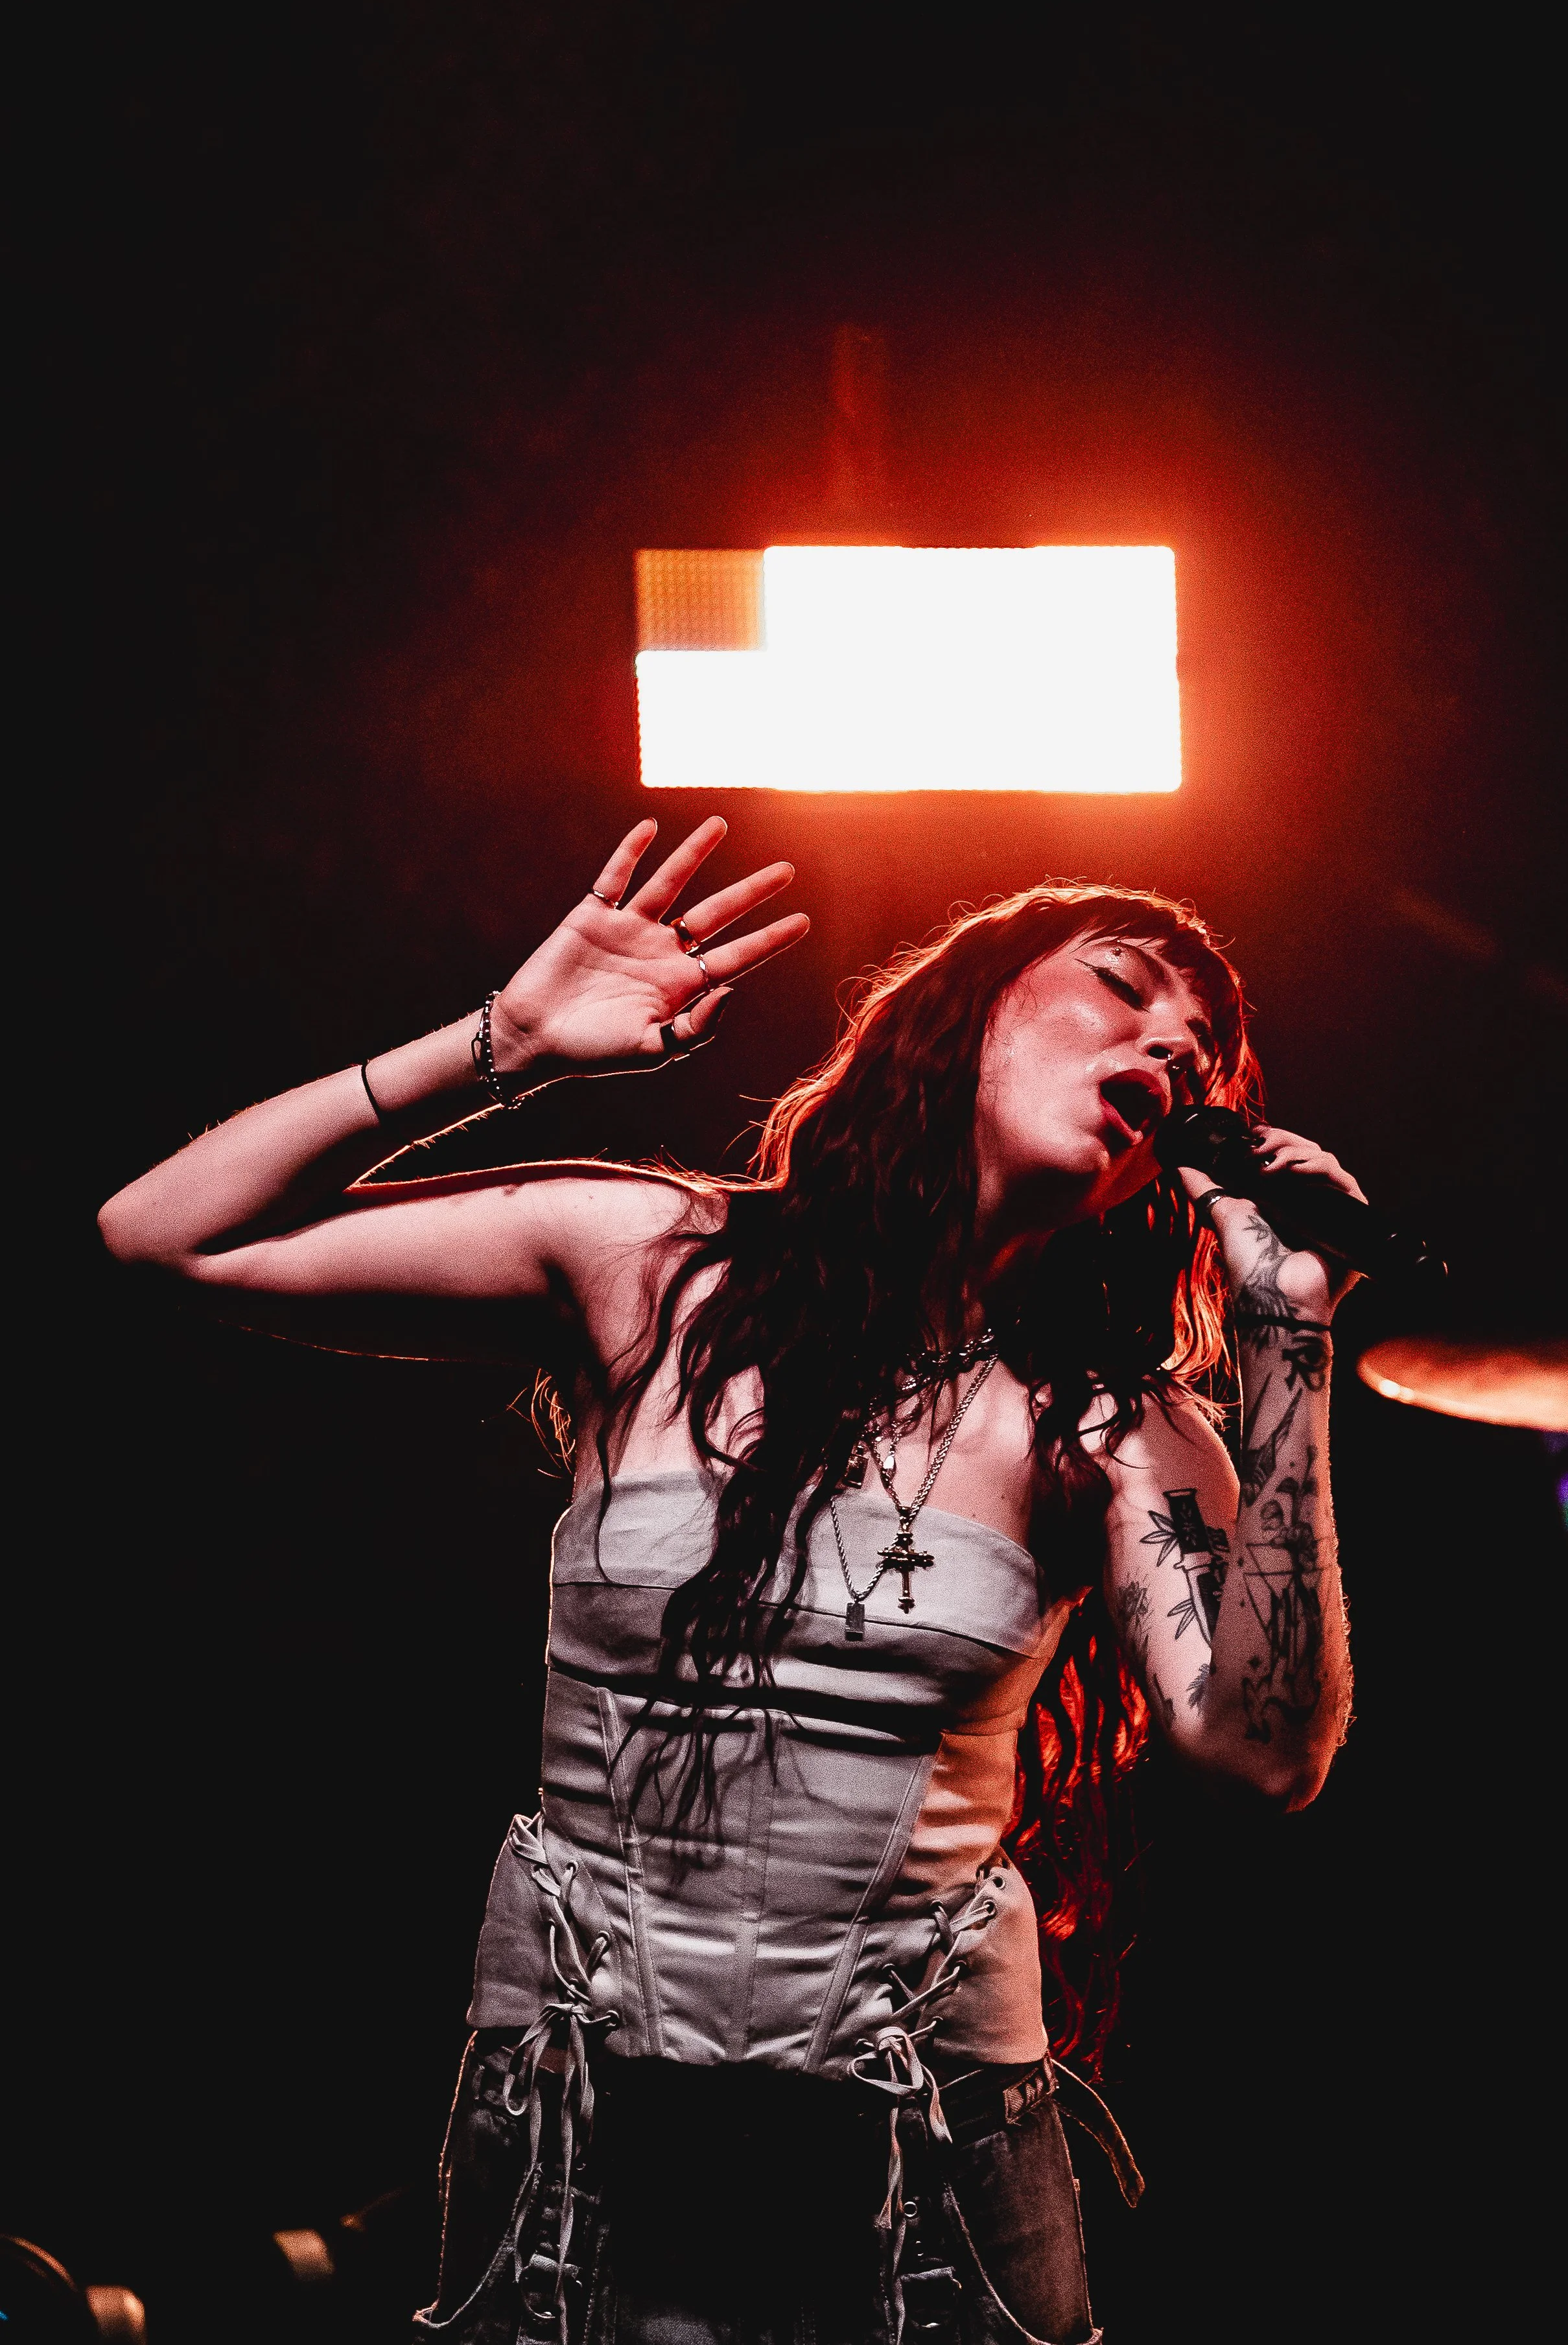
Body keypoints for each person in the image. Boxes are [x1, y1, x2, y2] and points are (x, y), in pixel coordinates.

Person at [99, 816, 1357, 2345]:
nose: (1175, 1043)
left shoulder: (1118, 1425)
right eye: (1123, 987)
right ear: (960, 1015)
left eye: (1206, 1048)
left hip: (927, 2140)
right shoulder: (653, 1265)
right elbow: (165, 1231)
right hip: (579, 2110)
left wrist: (1290, 1338)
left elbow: (1264, 1749)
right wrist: (501, 1042)